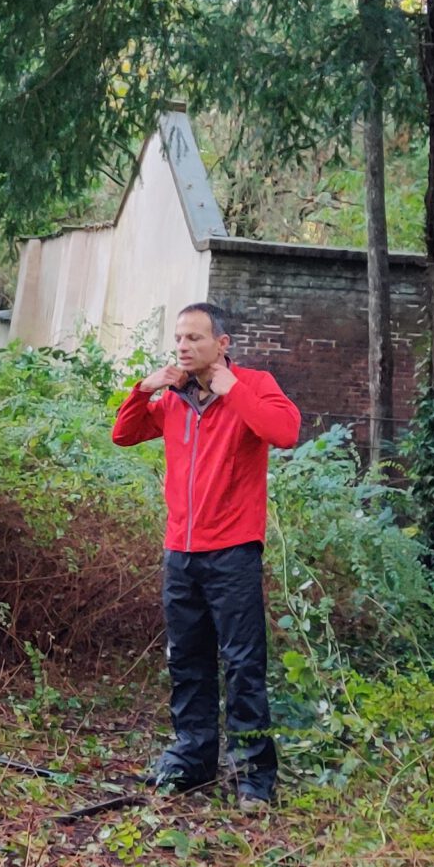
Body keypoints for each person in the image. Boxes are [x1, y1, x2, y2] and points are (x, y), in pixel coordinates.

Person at [110, 302, 301, 805]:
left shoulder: (253, 384)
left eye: (194, 338)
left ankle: (253, 776)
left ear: (222, 343)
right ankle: (192, 759)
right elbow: (124, 434)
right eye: (178, 338)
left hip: (233, 550)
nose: (182, 346)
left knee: (242, 664)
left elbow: (285, 432)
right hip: (180, 551)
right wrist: (144, 388)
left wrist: (232, 391)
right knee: (188, 660)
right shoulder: (172, 399)